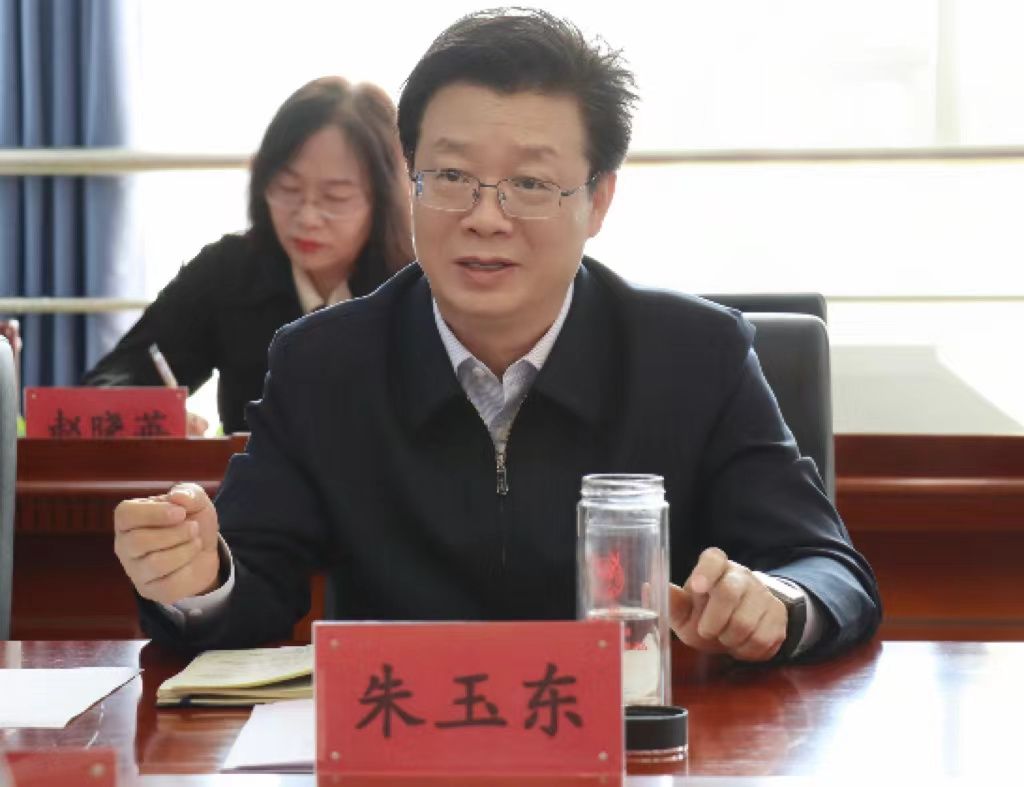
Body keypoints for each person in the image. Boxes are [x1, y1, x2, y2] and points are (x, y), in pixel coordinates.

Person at [114, 9, 880, 662]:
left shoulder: (696, 356)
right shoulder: (323, 363)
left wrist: (777, 601)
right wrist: (197, 576)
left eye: (531, 184)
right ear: (410, 181)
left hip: (632, 749)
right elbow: (251, 580)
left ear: (599, 200)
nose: (486, 216)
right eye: (451, 177)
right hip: (401, 742)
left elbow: (828, 568)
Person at [83, 77, 413, 434]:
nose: (307, 217)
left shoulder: (417, 287)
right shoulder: (230, 270)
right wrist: (149, 416)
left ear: (385, 198)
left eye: (335, 197)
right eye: (287, 188)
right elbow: (113, 380)